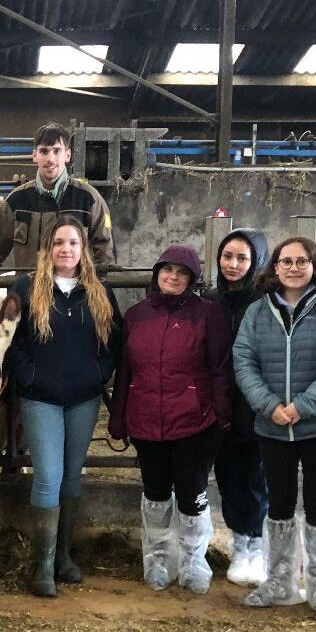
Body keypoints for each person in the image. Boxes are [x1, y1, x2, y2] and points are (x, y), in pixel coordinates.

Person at [233, 236, 316, 623]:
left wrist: (303, 406)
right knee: (278, 504)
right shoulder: (257, 311)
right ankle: (280, 582)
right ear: (275, 267)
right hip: (272, 426)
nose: (294, 267)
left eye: (303, 261)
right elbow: (243, 361)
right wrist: (270, 406)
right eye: (286, 261)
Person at [3, 216, 121, 597]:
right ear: (47, 249)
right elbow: (10, 341)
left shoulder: (98, 292)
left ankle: (63, 557)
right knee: (48, 476)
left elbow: (112, 343)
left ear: (83, 249)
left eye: (73, 243)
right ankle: (41, 566)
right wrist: (30, 376)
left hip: (83, 398)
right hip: (41, 398)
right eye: (58, 243)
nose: (65, 250)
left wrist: (98, 373)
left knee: (72, 475)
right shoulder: (25, 288)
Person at [109, 244, 231, 596]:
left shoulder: (207, 314)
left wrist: (222, 416)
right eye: (167, 269)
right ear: (156, 273)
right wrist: (119, 417)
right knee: (156, 491)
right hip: (147, 419)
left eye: (182, 272)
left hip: (194, 420)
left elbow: (220, 368)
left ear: (192, 279)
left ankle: (194, 559)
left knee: (192, 492)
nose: (173, 276)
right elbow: (125, 371)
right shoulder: (135, 315)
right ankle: (158, 557)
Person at [0, 122, 115, 309]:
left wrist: (97, 295)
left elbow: (105, 254)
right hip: (27, 301)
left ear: (68, 155)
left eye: (57, 151)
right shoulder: (16, 202)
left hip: (75, 302)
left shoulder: (89, 199)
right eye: (44, 151)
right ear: (34, 155)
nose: (50, 159)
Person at [204, 229, 271, 587]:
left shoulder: (266, 302)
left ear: (256, 261)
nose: (232, 265)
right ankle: (239, 541)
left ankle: (256, 545)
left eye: (242, 258)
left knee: (256, 475)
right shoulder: (211, 300)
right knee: (227, 474)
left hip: (257, 401)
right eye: (227, 257)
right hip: (220, 401)